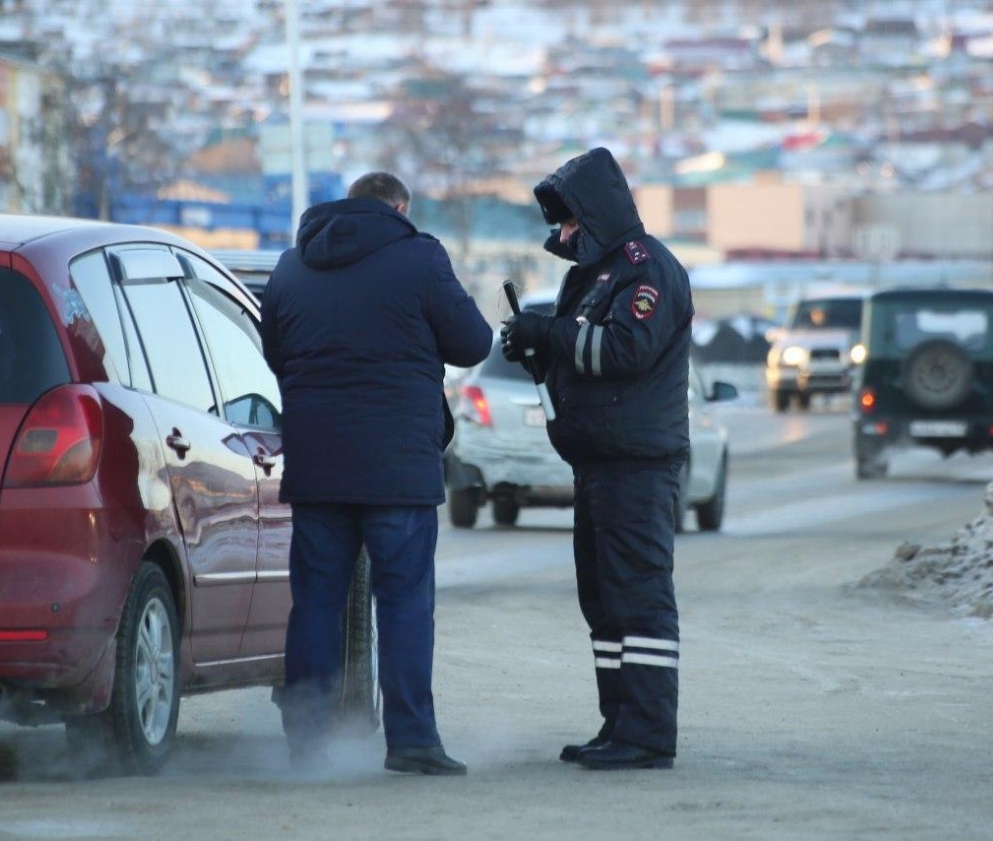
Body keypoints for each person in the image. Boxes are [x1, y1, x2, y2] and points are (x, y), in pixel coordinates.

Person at [261, 171, 492, 776]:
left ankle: (306, 741)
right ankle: (412, 740)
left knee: (315, 603)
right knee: (404, 602)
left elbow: (274, 353)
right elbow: (471, 343)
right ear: (397, 207)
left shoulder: (291, 267)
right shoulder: (418, 257)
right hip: (397, 467)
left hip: (317, 464)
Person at [500, 147, 694, 771]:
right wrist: (536, 349)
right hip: (600, 463)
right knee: (605, 600)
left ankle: (648, 735)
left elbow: (624, 351)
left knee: (638, 599)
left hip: (638, 464)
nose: (560, 235)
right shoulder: (592, 273)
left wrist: (550, 335)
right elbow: (578, 349)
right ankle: (619, 723)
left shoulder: (645, 271)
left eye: (566, 223)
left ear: (593, 215)